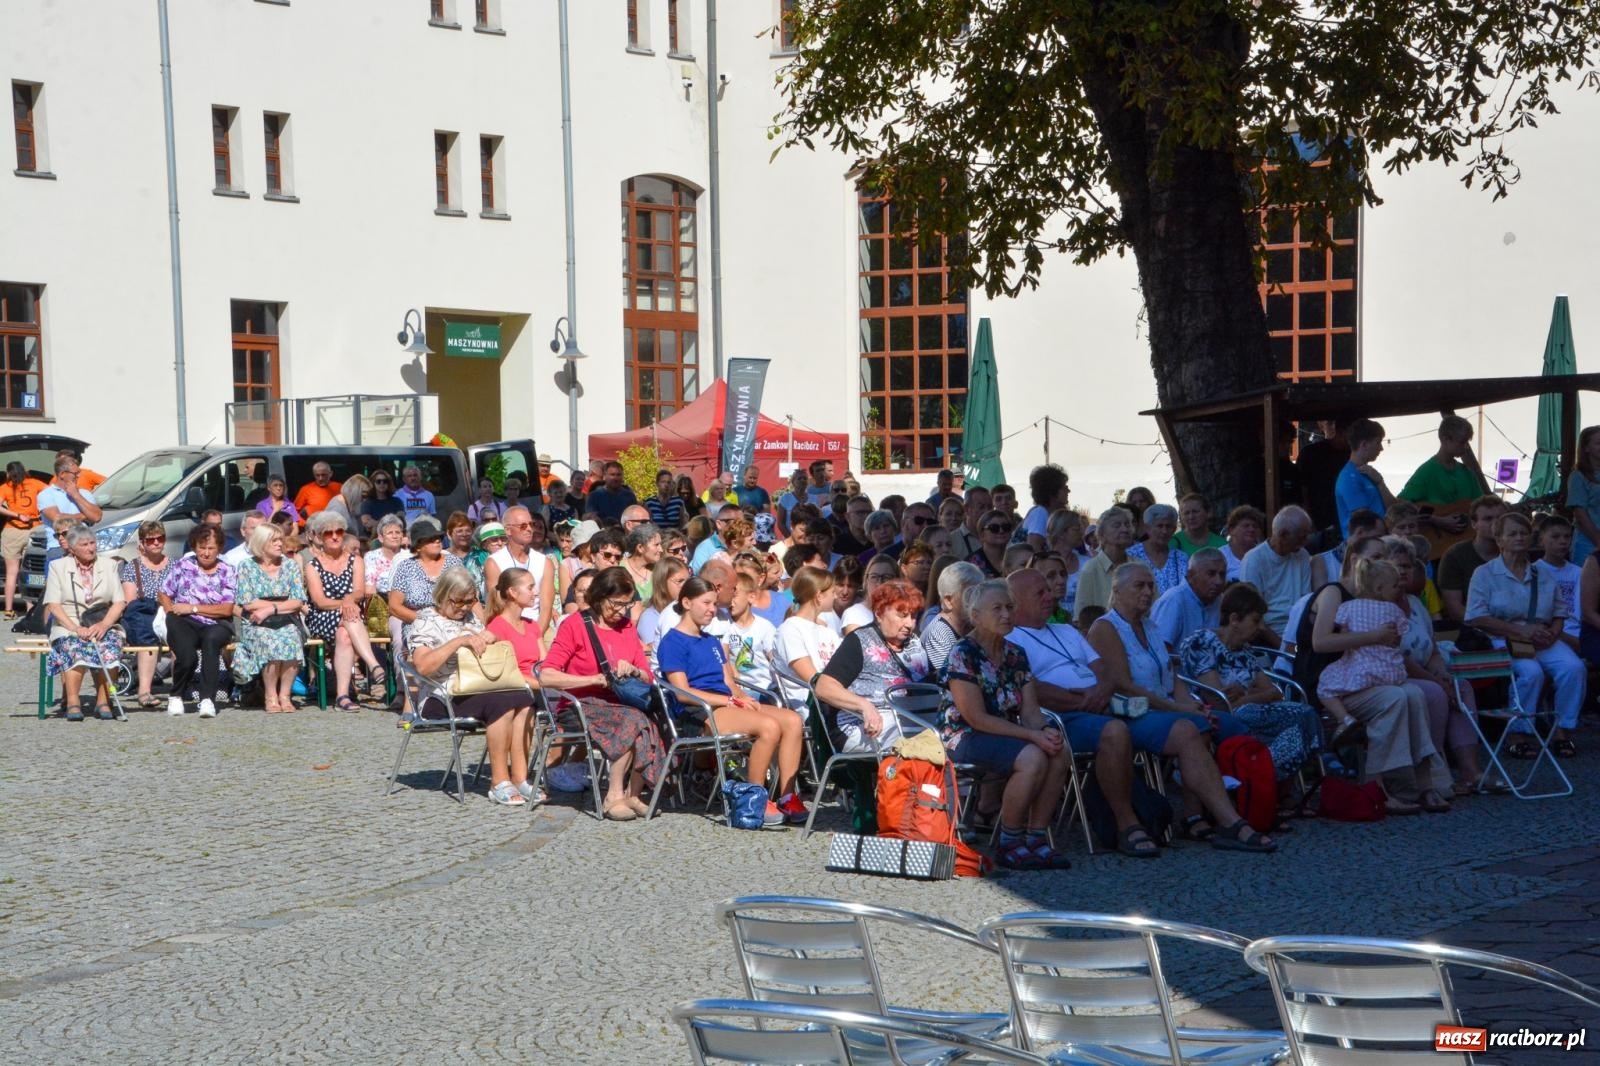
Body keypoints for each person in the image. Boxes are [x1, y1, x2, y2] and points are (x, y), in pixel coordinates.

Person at [1006, 569, 1269, 857]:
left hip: (1111, 706)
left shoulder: (1066, 631)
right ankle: (1127, 824)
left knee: (1189, 729)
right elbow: (1030, 688)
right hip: (1067, 717)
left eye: (1048, 590)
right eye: (1040, 593)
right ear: (1016, 601)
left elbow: (1105, 671)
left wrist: (1100, 692)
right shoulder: (1012, 641)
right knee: (1116, 731)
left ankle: (1228, 820)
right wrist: (1084, 701)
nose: (1050, 595)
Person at [512, 566, 669, 819]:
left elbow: (647, 675)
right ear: (599, 597)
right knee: (633, 720)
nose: (622, 611)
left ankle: (633, 793)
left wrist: (633, 671)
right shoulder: (575, 625)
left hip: (620, 701)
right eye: (616, 604)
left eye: (627, 604)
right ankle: (613, 796)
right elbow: (547, 674)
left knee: (650, 720)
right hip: (580, 704)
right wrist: (593, 679)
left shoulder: (626, 627)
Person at [939, 579, 1074, 870]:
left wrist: (1045, 731)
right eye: (997, 608)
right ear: (976, 616)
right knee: (1032, 756)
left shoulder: (1016, 654)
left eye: (1010, 607)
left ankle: (1036, 837)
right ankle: (1009, 841)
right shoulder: (962, 653)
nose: (1006, 614)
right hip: (965, 735)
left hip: (1007, 734)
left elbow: (1031, 712)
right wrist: (1031, 736)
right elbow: (975, 717)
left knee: (1059, 750)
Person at [660, 576, 807, 826]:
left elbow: (729, 682)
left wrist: (743, 698)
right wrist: (729, 701)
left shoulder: (712, 641)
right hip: (696, 712)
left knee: (792, 720)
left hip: (724, 703)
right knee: (768, 727)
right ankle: (753, 800)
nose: (712, 609)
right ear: (686, 602)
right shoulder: (672, 641)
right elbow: (682, 692)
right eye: (706, 603)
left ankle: (787, 796)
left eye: (714, 603)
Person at [406, 567, 534, 807]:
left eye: (470, 601)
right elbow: (423, 667)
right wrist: (459, 642)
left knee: (523, 699)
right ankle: (499, 781)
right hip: (441, 695)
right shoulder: (425, 621)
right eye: (459, 601)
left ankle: (520, 777)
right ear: (443, 595)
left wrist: (490, 639)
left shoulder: (471, 619)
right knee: (501, 703)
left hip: (478, 686)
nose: (465, 607)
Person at [1466, 511, 1585, 758]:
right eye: (1512, 533)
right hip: (1503, 638)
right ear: (1499, 539)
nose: (1519, 538)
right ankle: (1517, 734)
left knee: (1573, 668)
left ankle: (1562, 731)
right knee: (1531, 672)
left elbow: (1560, 612)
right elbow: (1476, 617)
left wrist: (1553, 633)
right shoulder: (1485, 574)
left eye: (1524, 533)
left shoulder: (1542, 574)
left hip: (1541, 637)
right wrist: (1520, 630)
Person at [1178, 583, 1322, 783]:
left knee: (1302, 717)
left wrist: (1243, 695)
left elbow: (1275, 693)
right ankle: (1269, 778)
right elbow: (1220, 702)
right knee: (1303, 716)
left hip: (1250, 712)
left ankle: (1266, 776)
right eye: (1256, 620)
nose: (1261, 627)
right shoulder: (1201, 642)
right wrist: (1253, 695)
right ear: (1234, 619)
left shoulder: (1244, 651)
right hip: (1214, 715)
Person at [1380, 535, 1489, 795]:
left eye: (1407, 566)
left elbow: (1432, 651)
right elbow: (1396, 657)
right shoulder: (1379, 606)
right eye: (1396, 566)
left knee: (1461, 687)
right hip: (1392, 674)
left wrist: (1443, 676)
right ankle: (1433, 772)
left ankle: (1470, 771)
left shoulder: (1416, 603)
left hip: (1423, 672)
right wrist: (1437, 682)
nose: (1402, 571)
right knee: (1435, 694)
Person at [812, 577, 932, 757]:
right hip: (863, 724)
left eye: (913, 616)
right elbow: (824, 687)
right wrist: (864, 705)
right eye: (902, 615)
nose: (909, 624)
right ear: (879, 613)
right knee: (925, 736)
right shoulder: (860, 641)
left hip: (911, 718)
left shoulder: (914, 642)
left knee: (943, 731)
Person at [44, 524, 126, 721]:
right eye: (84, 545)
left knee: (110, 646)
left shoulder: (109, 565)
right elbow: (53, 604)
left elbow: (119, 602)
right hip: (69, 624)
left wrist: (104, 625)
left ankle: (104, 700)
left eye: (92, 543)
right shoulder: (58, 567)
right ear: (72, 549)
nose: (90, 548)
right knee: (74, 646)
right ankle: (73, 702)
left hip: (102, 621)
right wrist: (75, 628)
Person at [305, 509, 385, 711]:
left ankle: (342, 697)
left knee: (344, 635)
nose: (334, 536)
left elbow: (359, 591)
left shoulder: (355, 560)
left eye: (339, 532)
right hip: (322, 616)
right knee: (350, 617)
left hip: (349, 617)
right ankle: (373, 663)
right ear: (319, 537)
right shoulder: (312, 566)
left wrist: (349, 600)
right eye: (328, 533)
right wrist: (346, 603)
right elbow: (320, 601)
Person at [158, 526, 237, 718]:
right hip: (184, 621)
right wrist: (171, 612)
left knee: (212, 641)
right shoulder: (183, 566)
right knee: (188, 657)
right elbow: (164, 592)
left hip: (217, 623)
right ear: (194, 547)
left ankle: (207, 698)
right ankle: (176, 695)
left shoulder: (228, 571)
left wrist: (192, 608)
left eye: (211, 548)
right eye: (202, 548)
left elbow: (226, 608)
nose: (206, 553)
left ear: (219, 549)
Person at [231, 522, 308, 713]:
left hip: (287, 619)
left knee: (291, 639)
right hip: (256, 623)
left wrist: (270, 609)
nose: (280, 544)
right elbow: (248, 603)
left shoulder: (290, 565)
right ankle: (271, 696)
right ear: (261, 542)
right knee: (269, 641)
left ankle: (285, 695)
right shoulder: (247, 566)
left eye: (280, 540)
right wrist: (281, 605)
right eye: (274, 540)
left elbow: (297, 601)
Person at [1398, 415, 1480, 541]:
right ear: (1445, 439)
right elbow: (1401, 504)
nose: (1466, 447)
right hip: (1438, 542)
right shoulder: (1427, 471)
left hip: (1466, 540)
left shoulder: (1466, 472)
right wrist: (1437, 520)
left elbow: (1480, 504)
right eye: (1462, 442)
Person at [116, 520, 172, 706]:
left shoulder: (174, 565)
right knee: (146, 636)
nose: (156, 543)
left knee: (180, 635)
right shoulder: (133, 567)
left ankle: (180, 690)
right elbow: (130, 601)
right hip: (143, 613)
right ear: (142, 543)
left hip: (168, 612)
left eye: (160, 538)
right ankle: (144, 692)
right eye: (150, 540)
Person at [1239, 505, 1313, 640]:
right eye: (1301, 537)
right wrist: (1283, 647)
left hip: (1298, 628)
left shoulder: (1302, 555)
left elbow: (1306, 601)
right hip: (1266, 634)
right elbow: (1253, 615)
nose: (1306, 541)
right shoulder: (1254, 560)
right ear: (1283, 534)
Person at [387, 516, 467, 639]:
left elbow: (469, 595)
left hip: (453, 621)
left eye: (439, 538)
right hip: (417, 623)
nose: (437, 541)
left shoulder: (454, 563)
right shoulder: (406, 567)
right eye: (431, 539)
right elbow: (394, 606)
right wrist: (426, 621)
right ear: (418, 546)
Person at [774, 567, 841, 712]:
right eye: (832, 593)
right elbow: (814, 679)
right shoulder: (790, 630)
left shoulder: (828, 632)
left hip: (836, 702)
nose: (836, 597)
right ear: (819, 596)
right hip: (812, 708)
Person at [484, 505, 556, 632]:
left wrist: (536, 636)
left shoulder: (545, 562)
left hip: (538, 627)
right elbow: (498, 606)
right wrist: (518, 637)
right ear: (508, 530)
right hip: (507, 628)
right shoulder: (494, 563)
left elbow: (546, 608)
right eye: (523, 526)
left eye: (531, 525)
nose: (529, 529)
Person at [1436, 495, 1507, 623]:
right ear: (1474, 524)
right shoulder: (1455, 556)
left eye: (1500, 518)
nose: (1496, 523)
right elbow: (1455, 610)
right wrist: (1500, 627)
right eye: (1488, 519)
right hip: (1473, 628)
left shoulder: (1515, 553)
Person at [1150, 547, 1226, 652]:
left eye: (1222, 574)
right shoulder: (1174, 600)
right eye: (1211, 574)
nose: (1218, 581)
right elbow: (1160, 651)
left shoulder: (1220, 600)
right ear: (1191, 575)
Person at [1334, 419, 1395, 540]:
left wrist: (1380, 482)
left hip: (1379, 541)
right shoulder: (1349, 478)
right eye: (1378, 442)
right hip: (1365, 546)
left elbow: (1392, 508)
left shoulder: (1369, 473)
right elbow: (1364, 523)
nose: (1381, 448)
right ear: (1364, 445)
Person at [920, 560, 983, 673]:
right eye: (969, 594)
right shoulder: (938, 633)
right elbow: (950, 676)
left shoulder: (973, 624)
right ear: (948, 601)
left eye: (980, 593)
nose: (977, 600)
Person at [1074, 506, 1133, 621]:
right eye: (1117, 525)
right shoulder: (1090, 570)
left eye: (1127, 525)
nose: (1125, 529)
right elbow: (1081, 618)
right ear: (1102, 534)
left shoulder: (1139, 566)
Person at [1296, 420, 1350, 539]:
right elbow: (1302, 490)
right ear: (1341, 432)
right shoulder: (1311, 453)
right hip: (1317, 518)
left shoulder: (1350, 454)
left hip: (1343, 519)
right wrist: (1308, 520)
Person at [1128, 503, 1186, 595]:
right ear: (1147, 528)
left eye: (1168, 526)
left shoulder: (1181, 558)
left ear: (1174, 529)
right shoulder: (1131, 555)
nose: (1164, 531)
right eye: (1159, 526)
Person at [637, 557, 690, 657]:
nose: (685, 587)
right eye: (679, 581)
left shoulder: (687, 611)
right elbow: (656, 653)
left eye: (688, 582)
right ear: (662, 583)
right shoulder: (650, 617)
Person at [39, 453, 102, 528]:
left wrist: (76, 495)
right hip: (60, 536)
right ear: (62, 474)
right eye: (75, 473)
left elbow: (97, 517)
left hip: (84, 535)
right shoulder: (46, 494)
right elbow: (58, 519)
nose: (79, 476)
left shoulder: (84, 493)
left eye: (79, 472)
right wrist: (85, 516)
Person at [1021, 464, 1070, 551]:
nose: (1068, 491)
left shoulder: (1046, 513)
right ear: (1052, 491)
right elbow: (1033, 549)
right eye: (1064, 488)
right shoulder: (1040, 513)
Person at [623, 522, 664, 600]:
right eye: (656, 545)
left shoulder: (658, 571)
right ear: (640, 548)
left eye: (660, 544)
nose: (661, 550)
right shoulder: (619, 568)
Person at [359, 469, 405, 534]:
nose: (382, 483)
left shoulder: (397, 501)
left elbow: (400, 520)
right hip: (372, 537)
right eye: (378, 481)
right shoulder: (367, 503)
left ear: (389, 483)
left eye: (385, 481)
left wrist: (376, 523)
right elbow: (367, 523)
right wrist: (391, 522)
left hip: (394, 535)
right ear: (373, 483)